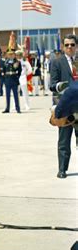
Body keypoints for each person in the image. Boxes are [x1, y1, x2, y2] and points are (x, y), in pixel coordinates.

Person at [50, 34, 77, 178]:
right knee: (64, 141)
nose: (69, 47)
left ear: (76, 46)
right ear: (63, 46)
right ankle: (62, 169)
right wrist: (62, 87)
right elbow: (52, 85)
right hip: (65, 107)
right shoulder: (57, 62)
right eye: (67, 45)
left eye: (72, 45)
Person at [2, 49, 21, 113]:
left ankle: (17, 108)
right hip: (7, 80)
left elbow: (19, 71)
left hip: (14, 80)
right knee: (7, 95)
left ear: (14, 55)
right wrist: (5, 79)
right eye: (9, 54)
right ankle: (7, 108)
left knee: (16, 95)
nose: (10, 56)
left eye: (12, 54)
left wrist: (17, 77)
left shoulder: (17, 62)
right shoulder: (5, 62)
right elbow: (3, 71)